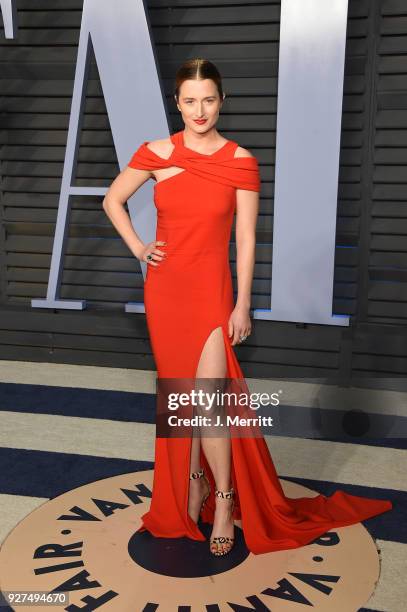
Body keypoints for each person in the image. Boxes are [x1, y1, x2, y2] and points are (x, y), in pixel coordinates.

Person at [103, 57, 393, 557]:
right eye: (190, 100)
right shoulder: (155, 153)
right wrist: (138, 248)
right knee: (181, 400)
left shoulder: (241, 160)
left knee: (210, 401)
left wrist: (242, 305)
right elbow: (113, 200)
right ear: (178, 102)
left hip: (212, 294)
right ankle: (191, 487)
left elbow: (245, 239)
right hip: (166, 291)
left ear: (221, 101)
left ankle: (222, 500)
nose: (200, 110)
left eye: (209, 99)